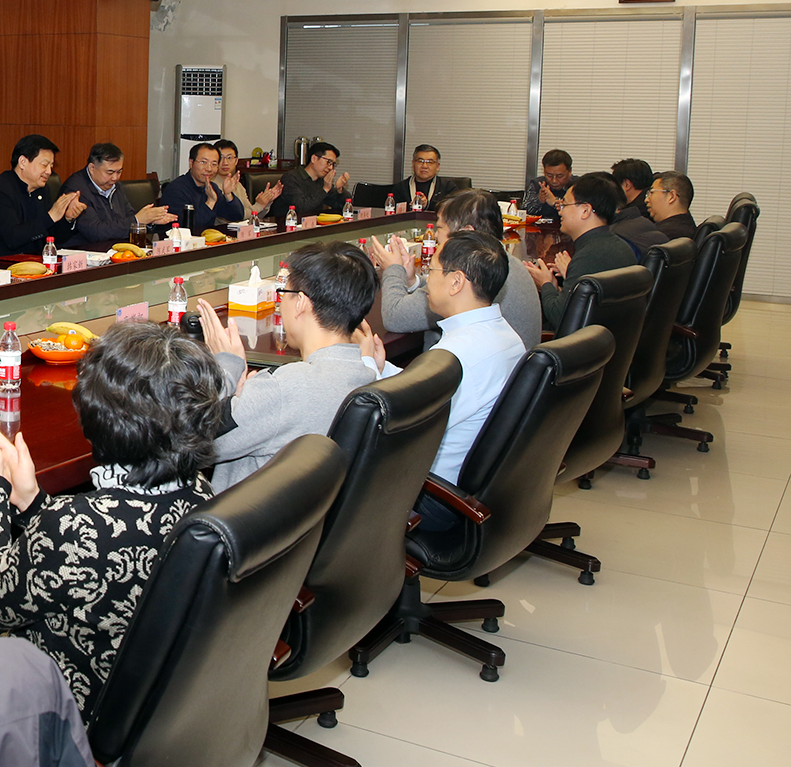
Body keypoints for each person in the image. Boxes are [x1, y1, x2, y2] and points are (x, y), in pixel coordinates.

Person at [0, 323, 218, 722]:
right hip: (155, 706)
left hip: (61, 710)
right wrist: (32, 502)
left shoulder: (75, 526)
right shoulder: (201, 494)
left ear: (98, 421)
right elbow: (83, 557)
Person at [360, 233, 525, 530]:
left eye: (431, 269)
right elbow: (429, 388)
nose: (425, 279)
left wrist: (367, 370)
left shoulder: (456, 355)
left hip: (436, 498)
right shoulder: (506, 336)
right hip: (479, 489)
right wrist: (383, 369)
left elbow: (403, 425)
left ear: (456, 281)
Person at [196, 240, 380, 492]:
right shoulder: (368, 374)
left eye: (284, 293)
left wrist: (225, 369)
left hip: (244, 514)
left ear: (301, 302)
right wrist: (246, 398)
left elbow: (192, 441)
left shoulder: (283, 389)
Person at [366, 188, 542, 350]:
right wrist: (413, 281)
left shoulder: (473, 275)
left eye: (440, 228)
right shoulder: (505, 262)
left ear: (466, 232)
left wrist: (393, 269)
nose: (436, 235)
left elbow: (395, 317)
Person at [524, 172, 638, 329]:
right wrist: (557, 286)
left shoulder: (589, 257)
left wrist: (545, 284)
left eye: (565, 205)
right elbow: (583, 305)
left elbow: (560, 318)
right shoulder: (617, 245)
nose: (560, 211)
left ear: (585, 210)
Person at [0, 135, 86, 258]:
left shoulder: (42, 190)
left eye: (51, 166)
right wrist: (50, 217)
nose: (49, 171)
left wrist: (68, 218)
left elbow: (54, 238)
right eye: (44, 165)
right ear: (23, 162)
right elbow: (13, 238)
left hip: (33, 261)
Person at [59, 142, 173, 250]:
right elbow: (95, 232)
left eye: (119, 172)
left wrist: (149, 220)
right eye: (110, 172)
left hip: (113, 249)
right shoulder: (76, 190)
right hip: (84, 252)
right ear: (92, 168)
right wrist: (137, 220)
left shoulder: (115, 186)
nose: (115, 178)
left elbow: (128, 217)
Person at [159, 143, 269, 233]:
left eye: (214, 164)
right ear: (191, 163)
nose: (209, 168)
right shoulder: (176, 189)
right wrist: (210, 202)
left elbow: (237, 216)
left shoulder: (212, 187)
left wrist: (228, 195)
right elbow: (190, 228)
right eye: (203, 162)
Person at [271, 141, 350, 221]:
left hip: (311, 225)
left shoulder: (321, 181)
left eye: (333, 164)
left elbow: (345, 206)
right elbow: (301, 208)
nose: (331, 168)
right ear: (314, 158)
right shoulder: (291, 178)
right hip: (284, 224)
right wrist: (325, 189)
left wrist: (340, 190)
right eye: (328, 162)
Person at [523, 149, 574, 220]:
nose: (554, 180)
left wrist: (555, 202)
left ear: (570, 171)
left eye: (560, 176)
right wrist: (539, 200)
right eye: (549, 175)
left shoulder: (578, 185)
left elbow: (580, 213)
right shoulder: (537, 183)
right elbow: (523, 212)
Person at [648, 171, 699, 239]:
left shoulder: (664, 235)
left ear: (671, 196)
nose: (647, 199)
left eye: (652, 192)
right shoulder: (686, 226)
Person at [399, 144, 449, 211]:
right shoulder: (401, 187)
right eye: (420, 161)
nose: (424, 166)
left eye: (430, 162)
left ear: (437, 166)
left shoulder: (448, 186)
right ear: (413, 164)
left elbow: (453, 210)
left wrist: (428, 204)